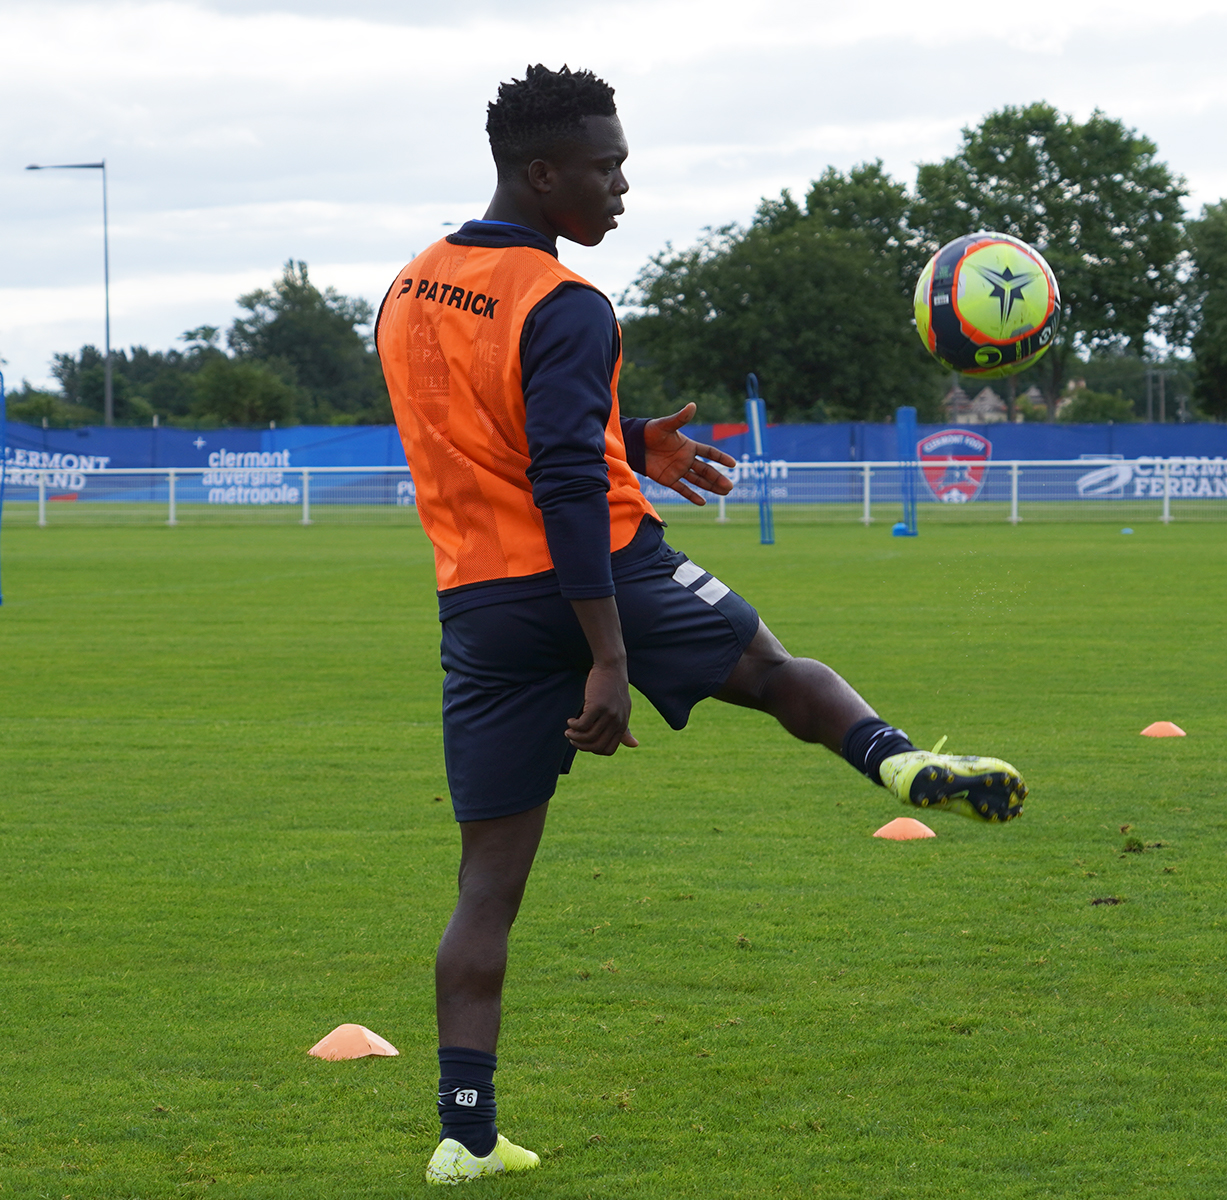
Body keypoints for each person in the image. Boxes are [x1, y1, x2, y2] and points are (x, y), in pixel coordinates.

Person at [372, 65, 1027, 1187]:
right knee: (774, 671)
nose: (623, 185)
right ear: (544, 173)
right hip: (602, 574)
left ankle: (463, 1137)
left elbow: (491, 419)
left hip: (478, 605)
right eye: (605, 165)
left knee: (487, 888)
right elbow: (567, 476)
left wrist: (630, 433)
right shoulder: (567, 301)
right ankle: (898, 759)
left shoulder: (411, 288)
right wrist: (611, 658)